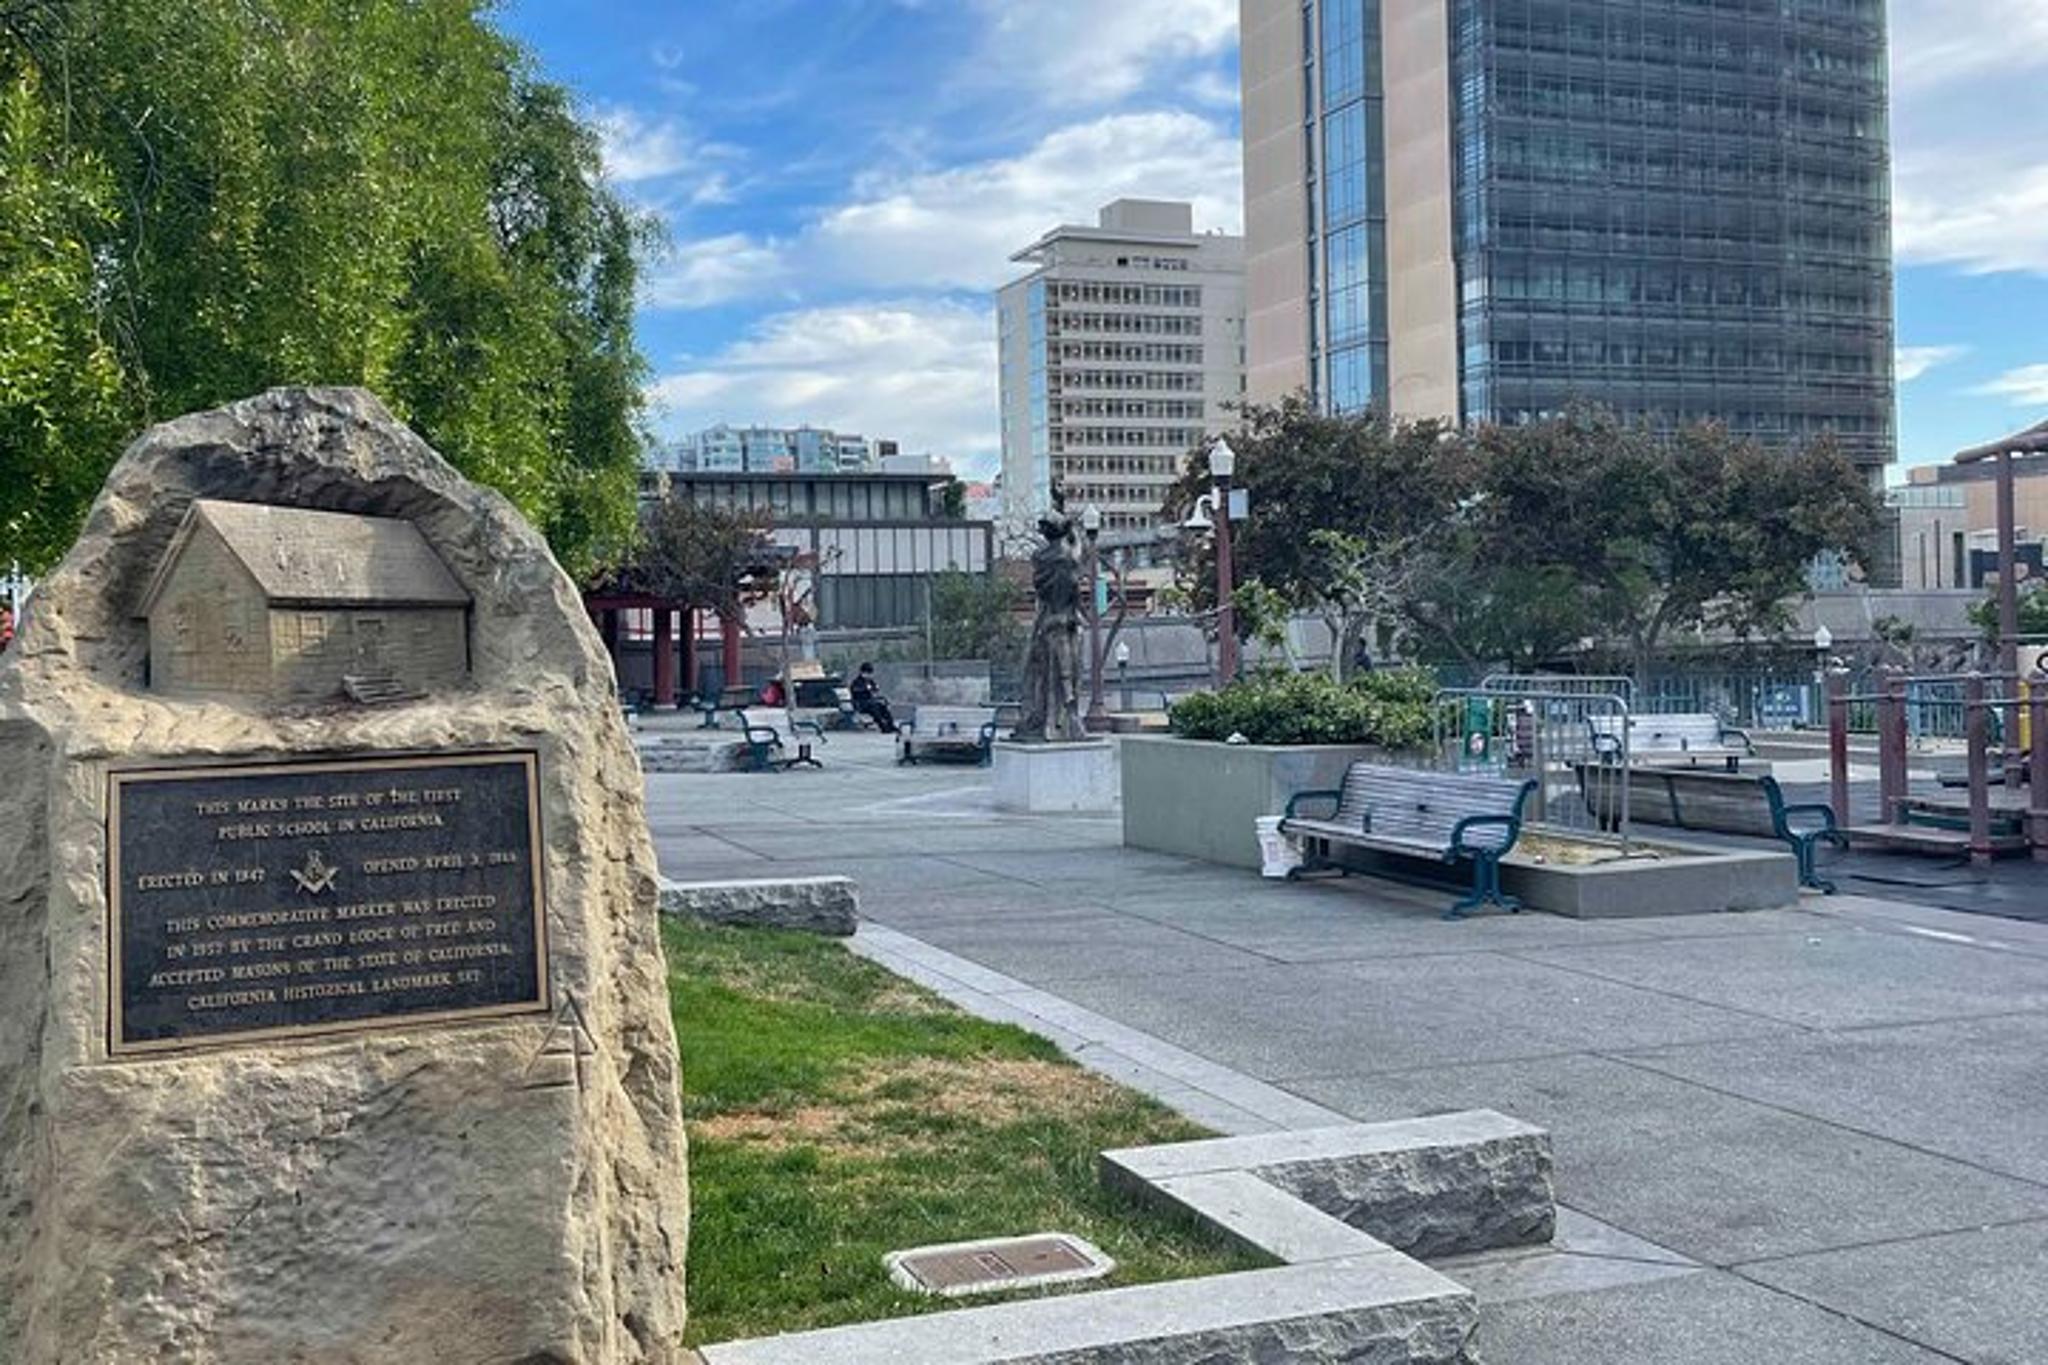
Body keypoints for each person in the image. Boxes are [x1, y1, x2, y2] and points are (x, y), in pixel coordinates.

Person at [848, 661, 897, 733]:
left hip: (870, 702)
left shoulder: (869, 681)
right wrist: (866, 689)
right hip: (861, 703)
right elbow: (856, 690)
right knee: (874, 709)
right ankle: (883, 726)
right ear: (862, 672)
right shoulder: (857, 682)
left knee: (882, 707)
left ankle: (891, 724)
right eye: (867, 673)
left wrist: (874, 688)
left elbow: (875, 687)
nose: (868, 675)